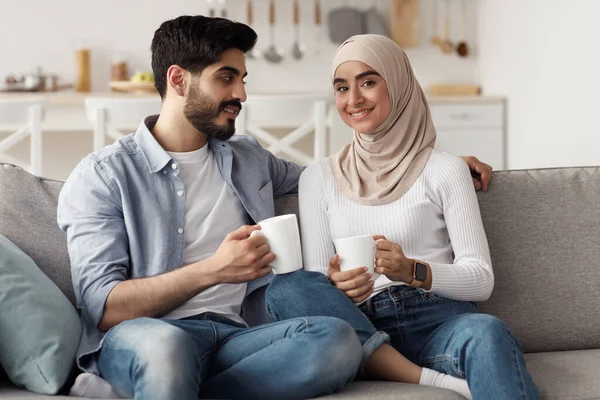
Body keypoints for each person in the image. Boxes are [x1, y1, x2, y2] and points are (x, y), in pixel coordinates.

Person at [58, 15, 495, 400]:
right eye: (226, 78)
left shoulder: (247, 158)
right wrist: (215, 270)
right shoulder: (102, 176)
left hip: (238, 340)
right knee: (167, 350)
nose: (241, 94)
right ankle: (150, 375)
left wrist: (432, 164)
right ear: (178, 80)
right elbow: (103, 306)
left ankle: (172, 387)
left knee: (336, 340)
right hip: (147, 335)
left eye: (243, 79)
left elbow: (340, 174)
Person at [283, 34, 539, 399]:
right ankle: (422, 376)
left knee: (488, 332)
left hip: (438, 321)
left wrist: (412, 270)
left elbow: (481, 279)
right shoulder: (317, 179)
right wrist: (336, 283)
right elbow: (318, 284)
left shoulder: (446, 170)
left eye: (368, 82)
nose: (353, 100)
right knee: (290, 287)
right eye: (342, 88)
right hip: (360, 327)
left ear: (399, 84)